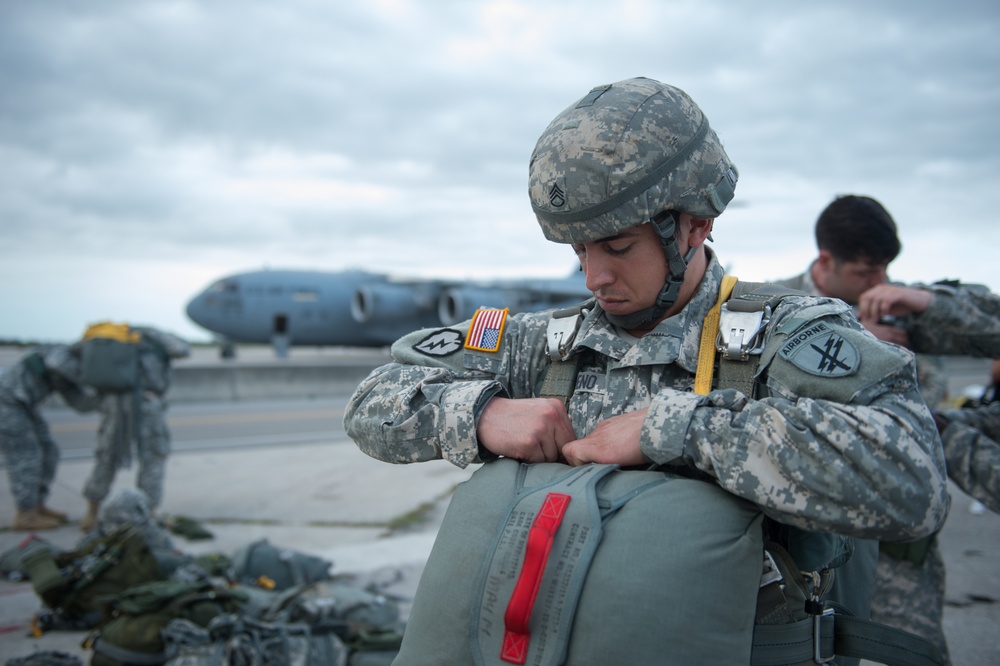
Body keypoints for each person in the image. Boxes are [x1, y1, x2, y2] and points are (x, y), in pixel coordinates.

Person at [344, 77, 949, 659]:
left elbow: (913, 480)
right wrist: (482, 414)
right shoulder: (546, 343)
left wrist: (679, 429)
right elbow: (372, 400)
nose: (594, 278)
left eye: (617, 246)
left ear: (694, 225)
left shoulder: (786, 336)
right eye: (579, 250)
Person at [855, 281, 1000, 662]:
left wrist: (932, 429)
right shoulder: (784, 306)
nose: (878, 277)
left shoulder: (896, 325)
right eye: (866, 270)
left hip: (902, 547)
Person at [772, 194, 949, 407]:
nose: (880, 280)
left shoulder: (900, 305)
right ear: (826, 261)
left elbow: (933, 386)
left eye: (885, 268)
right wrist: (859, 340)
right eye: (865, 272)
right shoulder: (776, 302)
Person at [77, 325, 191, 531]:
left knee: (106, 457)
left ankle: (91, 513)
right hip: (146, 404)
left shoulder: (111, 341)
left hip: (114, 404)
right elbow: (182, 349)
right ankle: (147, 514)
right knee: (154, 458)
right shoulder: (152, 340)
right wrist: (151, 331)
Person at [1, 345, 99, 530]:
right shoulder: (62, 353)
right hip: (7, 401)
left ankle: (37, 504)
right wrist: (94, 378)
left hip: (25, 405)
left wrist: (106, 396)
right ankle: (25, 514)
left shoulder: (66, 377)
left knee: (49, 451)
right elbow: (57, 363)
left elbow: (81, 404)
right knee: (25, 456)